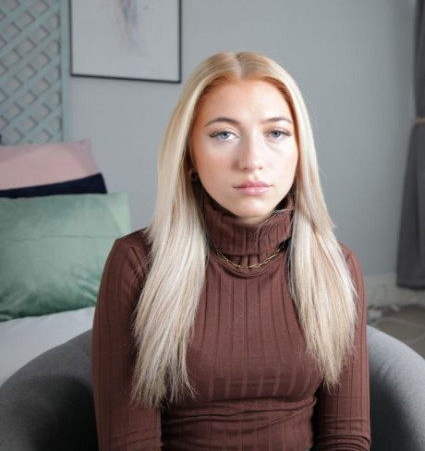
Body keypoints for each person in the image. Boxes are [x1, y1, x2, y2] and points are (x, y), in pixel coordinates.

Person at [92, 51, 370, 450]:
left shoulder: (337, 266)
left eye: (276, 133)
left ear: (299, 151)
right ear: (189, 156)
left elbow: (346, 437)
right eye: (224, 134)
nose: (252, 161)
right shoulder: (136, 263)